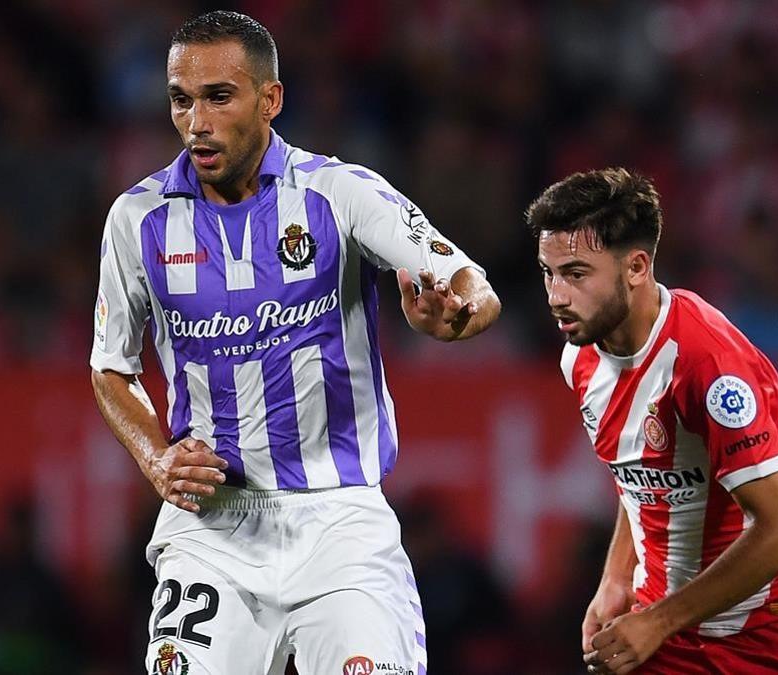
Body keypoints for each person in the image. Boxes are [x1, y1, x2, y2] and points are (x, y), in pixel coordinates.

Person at [89, 11, 500, 675]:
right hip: (210, 528)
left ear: (270, 99)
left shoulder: (340, 194)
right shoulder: (137, 219)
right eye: (180, 99)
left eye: (219, 96)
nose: (197, 121)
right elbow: (111, 366)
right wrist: (156, 458)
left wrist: (456, 315)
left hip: (340, 523)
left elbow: (465, 279)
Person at [528, 168, 778, 674]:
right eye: (548, 272)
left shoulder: (708, 365)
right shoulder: (582, 357)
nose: (556, 295)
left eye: (575, 274)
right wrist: (617, 579)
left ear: (636, 267)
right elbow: (638, 477)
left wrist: (658, 621)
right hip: (670, 639)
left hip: (776, 635)